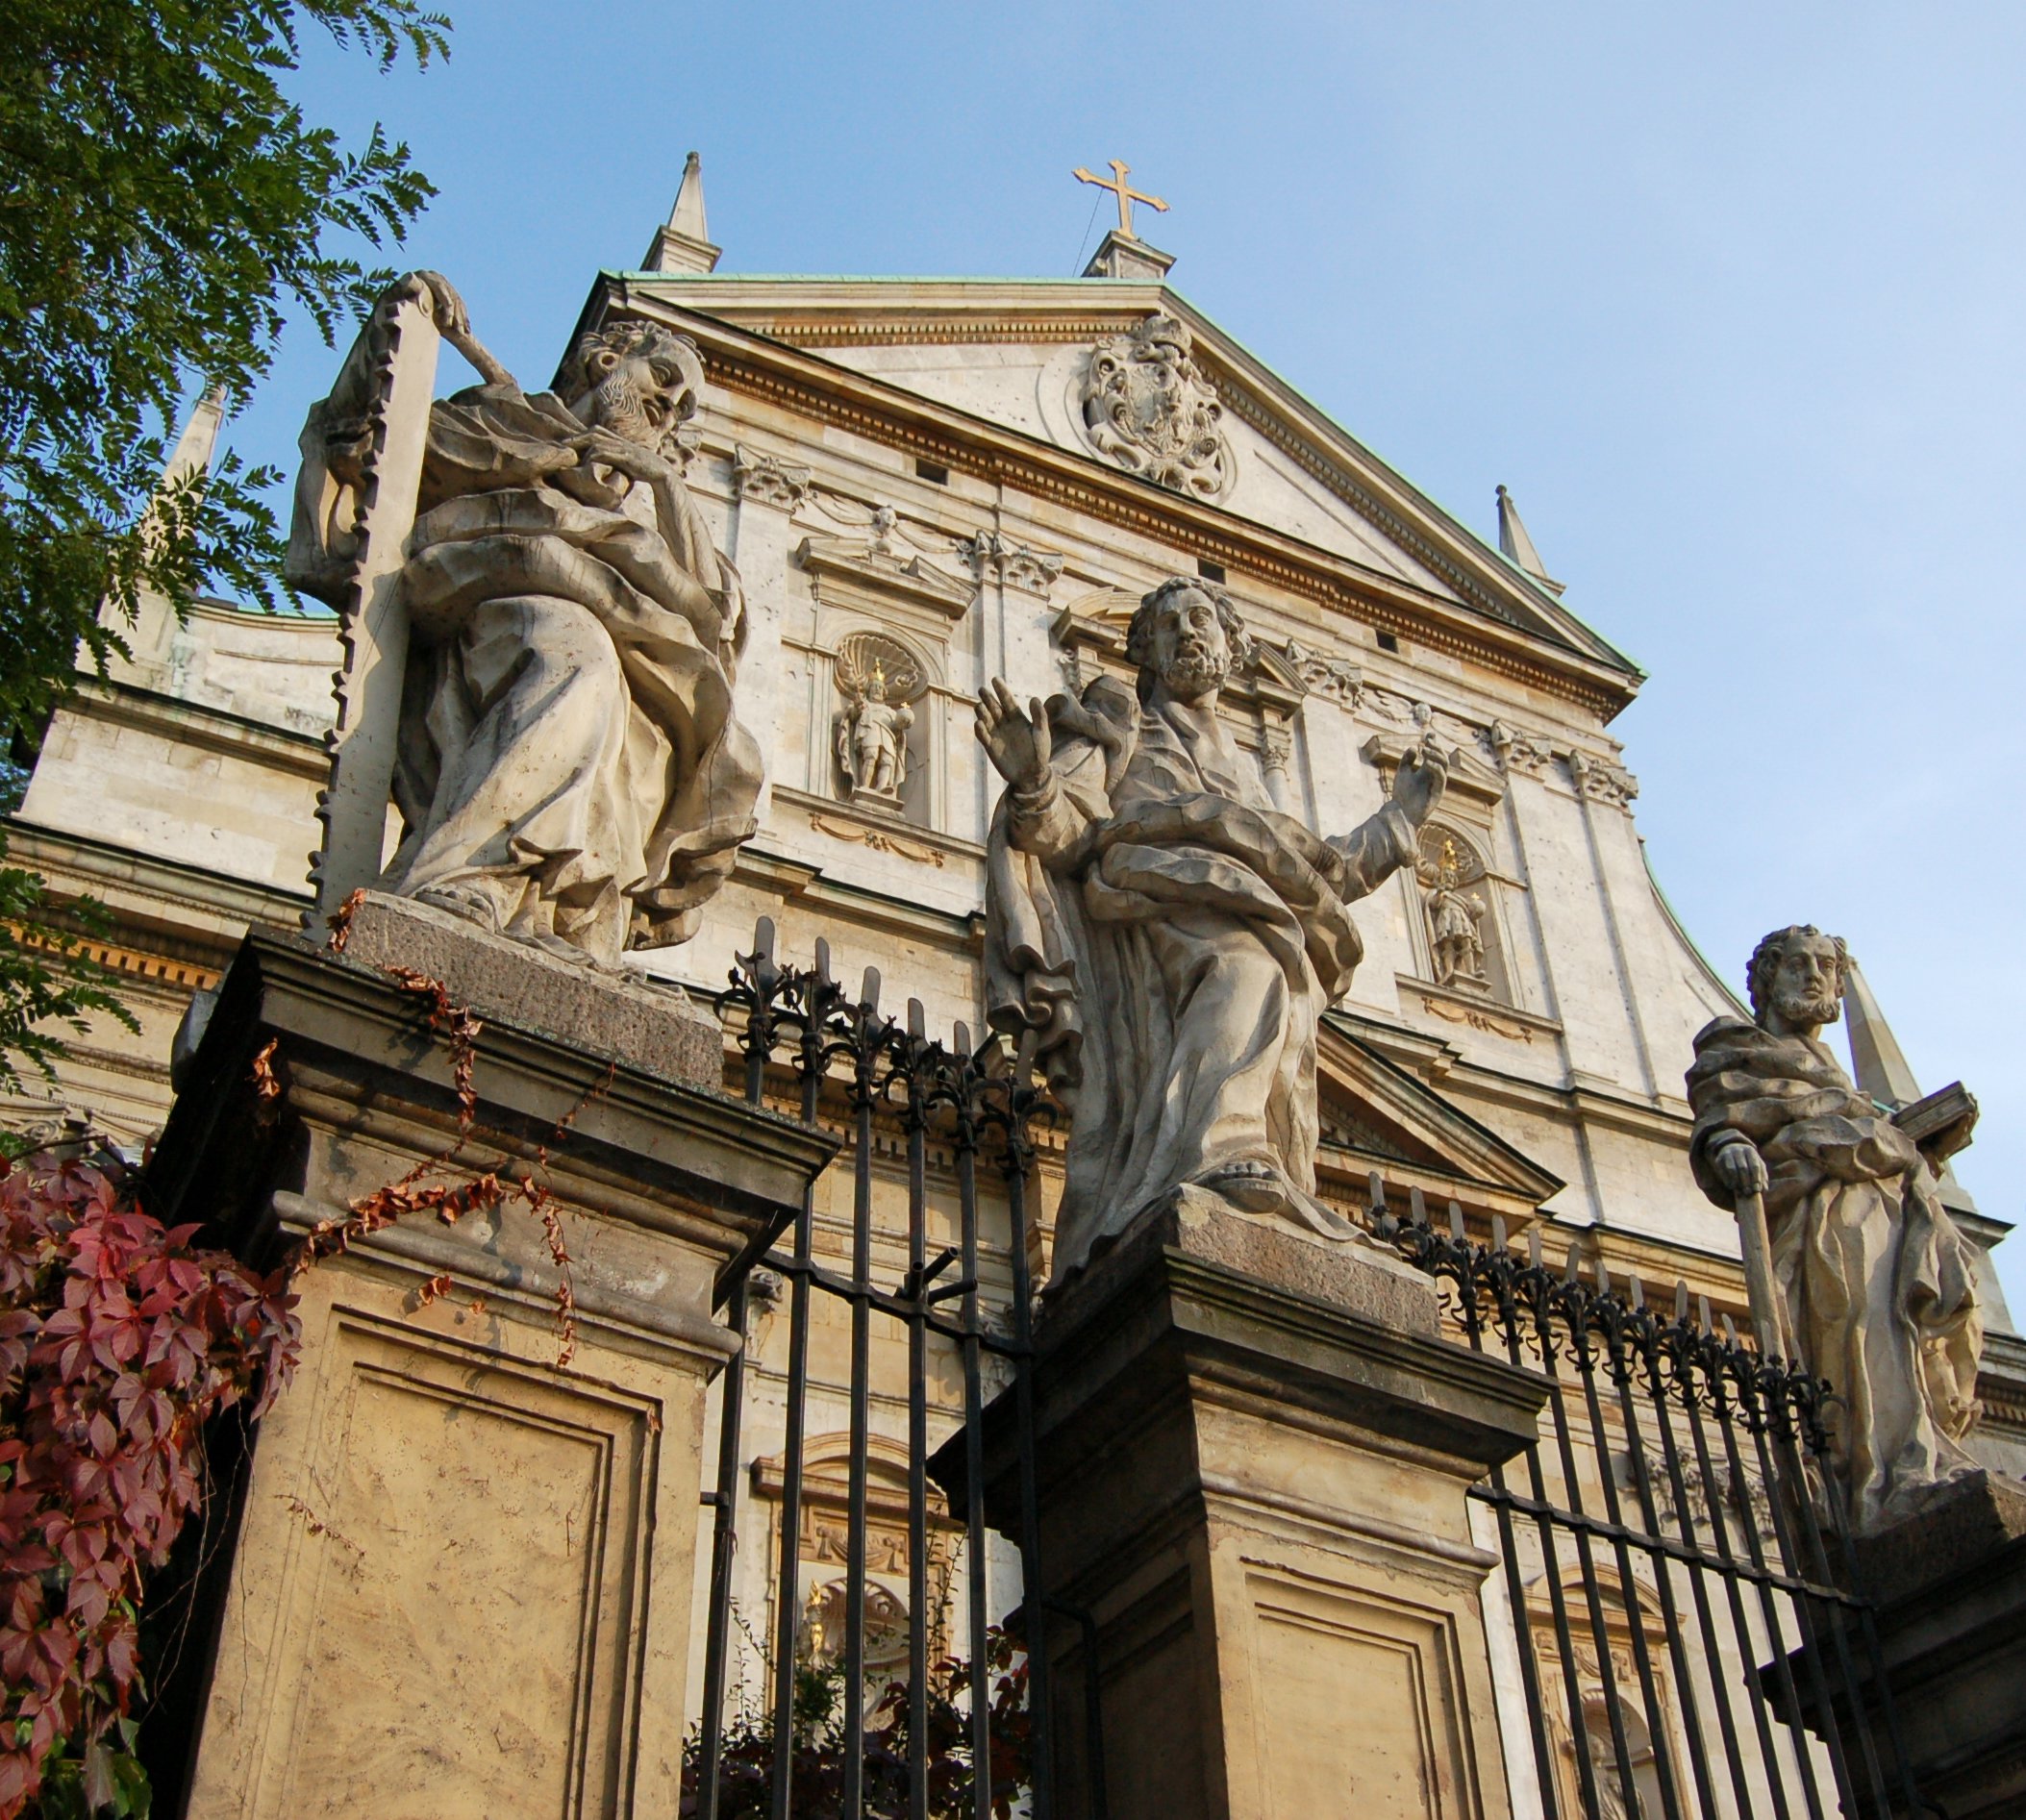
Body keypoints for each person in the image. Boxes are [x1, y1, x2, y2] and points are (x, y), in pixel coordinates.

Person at [978, 577, 1446, 1279]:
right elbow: (1066, 837)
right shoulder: (1117, 726)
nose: (1187, 633)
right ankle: (1224, 1151)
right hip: (1150, 911)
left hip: (1252, 911)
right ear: (1145, 653)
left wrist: (1398, 819)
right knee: (1246, 968)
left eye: (1201, 619)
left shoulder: (1246, 776)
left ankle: (1235, 1158)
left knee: (1270, 972)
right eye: (1167, 626)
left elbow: (1317, 873)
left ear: (1232, 646)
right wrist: (1035, 781)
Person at [378, 275, 761, 964]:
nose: (668, 405)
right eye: (663, 377)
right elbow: (397, 452)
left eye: (683, 408)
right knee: (578, 659)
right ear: (608, 360)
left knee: (641, 727)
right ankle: (473, 875)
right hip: (498, 607)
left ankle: (561, 912)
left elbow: (712, 618)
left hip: (626, 652)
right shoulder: (509, 418)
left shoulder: (649, 503)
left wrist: (663, 483)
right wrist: (405, 324)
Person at [1686, 925, 1983, 1529]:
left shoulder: (1835, 1077)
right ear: (1768, 977)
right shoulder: (1734, 1046)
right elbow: (1721, 1116)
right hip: (1821, 1224)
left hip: (1882, 1214)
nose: (1814, 977)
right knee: (1855, 1331)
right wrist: (1727, 1144)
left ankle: (1916, 1460)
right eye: (1798, 965)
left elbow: (1858, 1136)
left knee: (1899, 1334)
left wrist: (1915, 1146)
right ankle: (1876, 1479)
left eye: (1826, 967)